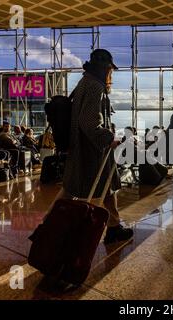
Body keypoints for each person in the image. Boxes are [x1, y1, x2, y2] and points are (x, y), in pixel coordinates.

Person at [55, 48, 133, 244]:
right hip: (91, 152)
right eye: (110, 71)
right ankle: (53, 229)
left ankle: (114, 227)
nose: (111, 75)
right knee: (83, 190)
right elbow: (89, 122)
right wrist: (108, 139)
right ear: (104, 69)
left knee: (95, 189)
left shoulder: (84, 82)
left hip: (81, 147)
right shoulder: (95, 87)